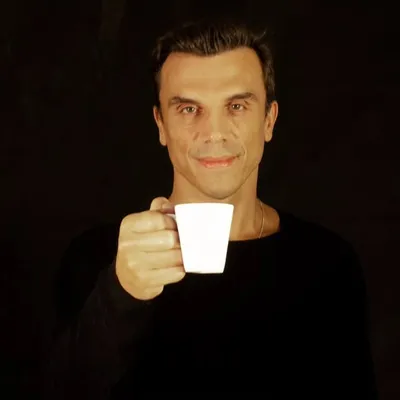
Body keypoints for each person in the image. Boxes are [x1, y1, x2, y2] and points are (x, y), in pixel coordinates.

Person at [40, 18, 378, 398]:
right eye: (189, 109)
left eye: (236, 106)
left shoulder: (328, 264)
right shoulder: (99, 257)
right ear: (161, 124)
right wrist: (122, 293)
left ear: (269, 120)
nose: (214, 132)